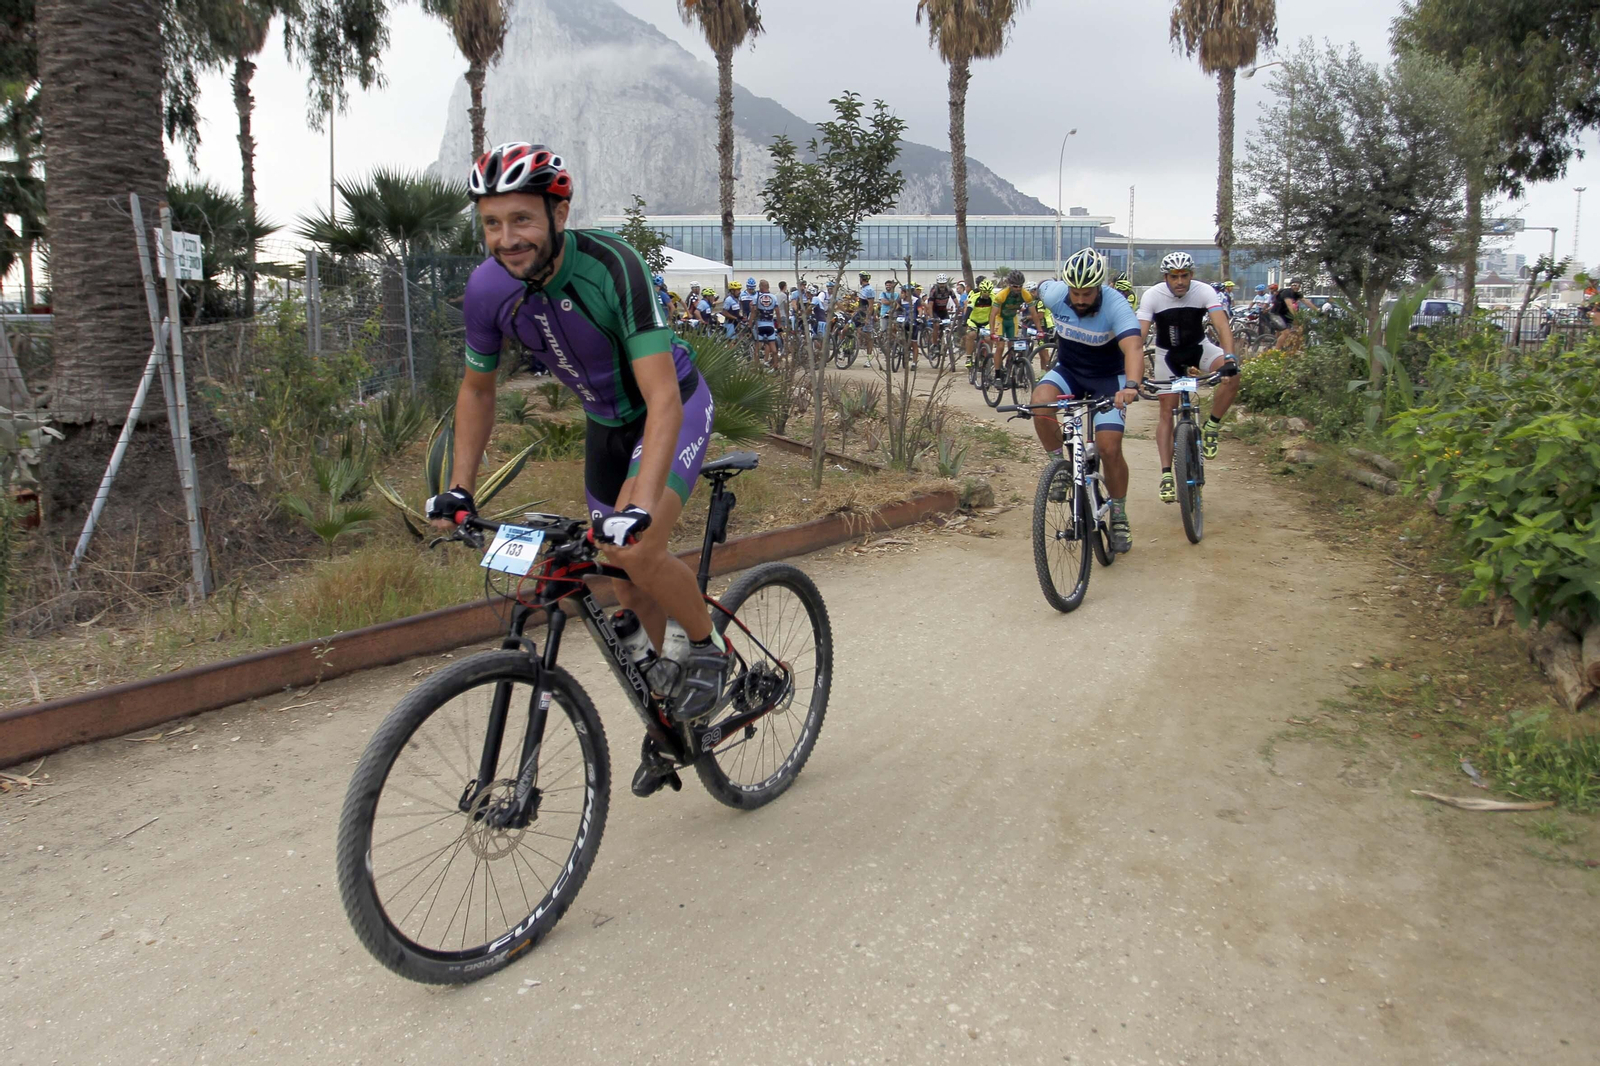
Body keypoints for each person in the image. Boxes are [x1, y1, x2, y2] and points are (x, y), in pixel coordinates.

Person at [433, 143, 731, 796]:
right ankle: (671, 695)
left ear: (558, 212)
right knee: (622, 582)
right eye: (491, 223)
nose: (506, 238)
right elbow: (477, 392)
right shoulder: (488, 290)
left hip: (670, 406)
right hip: (605, 423)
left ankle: (707, 652)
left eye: (521, 220)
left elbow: (659, 400)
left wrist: (642, 508)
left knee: (642, 546)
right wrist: (458, 487)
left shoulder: (611, 268)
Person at [1029, 248, 1144, 554]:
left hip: (1109, 378)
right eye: (1075, 292)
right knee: (1039, 404)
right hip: (1070, 371)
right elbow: (1038, 288)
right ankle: (1061, 467)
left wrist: (1131, 385)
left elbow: (1133, 347)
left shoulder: (1116, 304)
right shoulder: (1055, 294)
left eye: (1087, 293)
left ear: (1099, 287)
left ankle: (1118, 512)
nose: (1080, 299)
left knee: (1109, 448)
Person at [1137, 251, 1241, 504]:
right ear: (1166, 277)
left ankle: (1212, 425)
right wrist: (1135, 376)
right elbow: (1138, 339)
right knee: (1166, 411)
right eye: (1174, 276)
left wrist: (1229, 358)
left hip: (1198, 348)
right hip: (1166, 355)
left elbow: (1221, 325)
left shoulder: (1204, 291)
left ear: (1192, 275)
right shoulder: (1152, 295)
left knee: (1234, 375)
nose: (1180, 281)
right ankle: (1166, 475)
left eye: (1184, 276)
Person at [987, 269, 1036, 377]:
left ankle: (1009, 366)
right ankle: (997, 374)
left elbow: (1034, 313)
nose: (1018, 289)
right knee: (1000, 346)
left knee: (1013, 346)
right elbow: (993, 315)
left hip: (1012, 319)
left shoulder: (1026, 294)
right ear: (1009, 285)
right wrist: (992, 332)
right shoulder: (1001, 295)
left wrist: (1040, 331)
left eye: (1020, 286)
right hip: (1000, 319)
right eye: (1015, 286)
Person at [964, 279, 995, 369]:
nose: (986, 294)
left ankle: (988, 357)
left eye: (988, 292)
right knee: (971, 335)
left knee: (989, 338)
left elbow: (996, 310)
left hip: (986, 322)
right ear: (981, 290)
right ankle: (969, 358)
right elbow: (969, 308)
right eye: (985, 292)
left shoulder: (993, 297)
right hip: (974, 321)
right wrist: (964, 320)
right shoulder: (975, 296)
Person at [752, 279, 782, 362]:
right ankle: (776, 365)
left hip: (760, 325)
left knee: (757, 348)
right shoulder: (773, 297)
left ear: (761, 287)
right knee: (773, 348)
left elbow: (754, 312)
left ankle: (756, 366)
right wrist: (779, 325)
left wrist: (750, 323)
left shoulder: (757, 297)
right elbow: (778, 312)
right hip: (770, 325)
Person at [925, 273, 957, 350]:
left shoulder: (949, 290)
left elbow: (955, 299)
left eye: (943, 284)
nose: (942, 286)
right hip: (935, 311)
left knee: (948, 326)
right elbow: (930, 304)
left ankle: (950, 343)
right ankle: (935, 344)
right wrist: (931, 316)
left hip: (943, 310)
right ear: (938, 283)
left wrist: (959, 308)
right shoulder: (934, 290)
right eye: (940, 284)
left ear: (946, 283)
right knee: (937, 325)